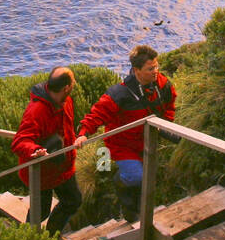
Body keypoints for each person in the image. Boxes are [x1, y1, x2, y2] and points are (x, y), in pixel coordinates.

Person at [74, 45, 176, 222]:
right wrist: (83, 133)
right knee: (137, 177)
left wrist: (166, 124)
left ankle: (139, 209)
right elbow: (97, 114)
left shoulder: (163, 85)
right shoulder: (119, 93)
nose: (156, 71)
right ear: (136, 70)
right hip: (122, 145)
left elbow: (169, 105)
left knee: (148, 177)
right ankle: (123, 193)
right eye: (150, 69)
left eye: (156, 66)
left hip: (147, 139)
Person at [11, 67, 82, 235]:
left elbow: (68, 128)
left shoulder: (67, 101)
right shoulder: (37, 111)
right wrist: (36, 150)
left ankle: (50, 237)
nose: (73, 86)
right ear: (66, 87)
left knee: (73, 200)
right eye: (72, 84)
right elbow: (19, 142)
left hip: (63, 166)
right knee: (40, 212)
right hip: (41, 173)